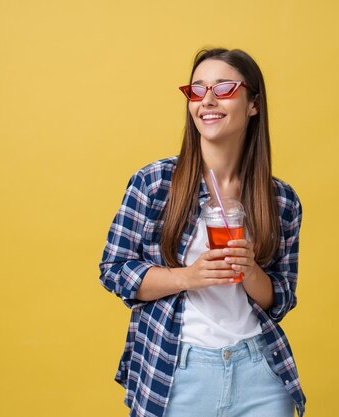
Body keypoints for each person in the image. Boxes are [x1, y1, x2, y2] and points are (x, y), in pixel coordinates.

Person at [99, 48, 306, 417]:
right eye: (197, 90)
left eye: (224, 88)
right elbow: (114, 270)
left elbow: (282, 298)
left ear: (253, 104)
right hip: (177, 370)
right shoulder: (155, 183)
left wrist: (251, 270)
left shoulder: (282, 200)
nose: (207, 100)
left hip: (259, 370)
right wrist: (189, 277)